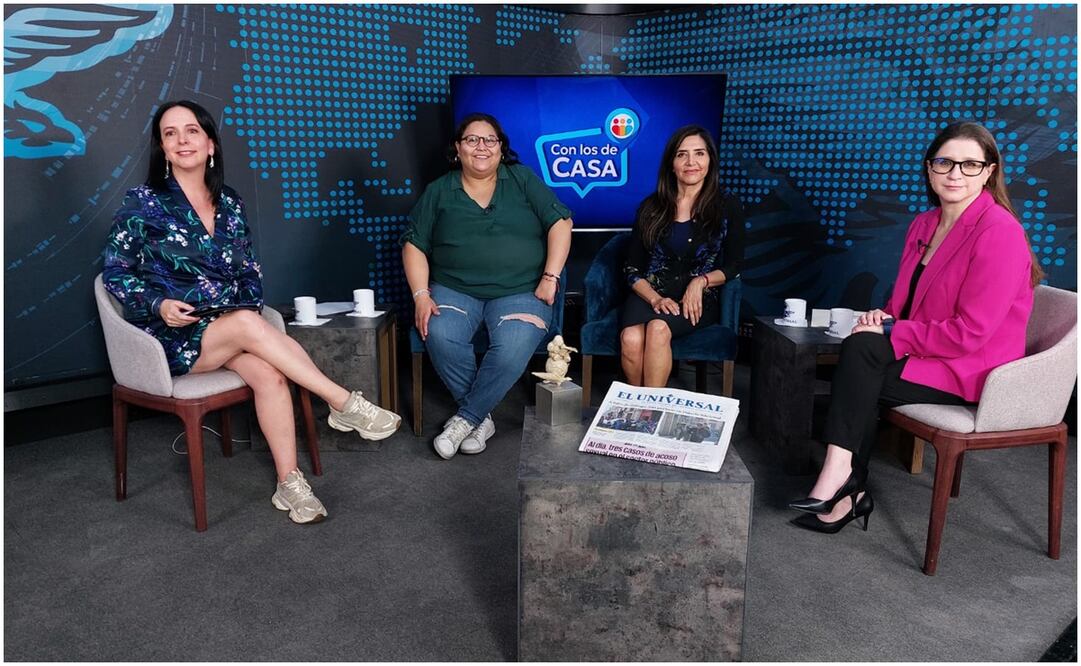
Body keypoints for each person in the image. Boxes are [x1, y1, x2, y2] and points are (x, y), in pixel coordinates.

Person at [103, 100, 401, 524]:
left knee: (269, 373)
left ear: (210, 144)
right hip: (169, 339)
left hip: (228, 330)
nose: (182, 140)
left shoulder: (230, 202)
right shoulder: (144, 203)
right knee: (247, 323)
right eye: (170, 133)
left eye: (191, 131)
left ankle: (289, 484)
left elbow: (249, 273)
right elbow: (115, 273)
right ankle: (340, 400)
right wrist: (159, 304)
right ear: (162, 148)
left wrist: (244, 312)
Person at [788, 121, 1042, 534]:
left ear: (990, 171)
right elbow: (909, 301)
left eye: (969, 164)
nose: (955, 173)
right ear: (929, 169)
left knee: (860, 364)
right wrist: (883, 317)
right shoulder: (925, 224)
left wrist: (890, 335)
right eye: (945, 162)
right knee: (861, 355)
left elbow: (970, 333)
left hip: (972, 366)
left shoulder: (1000, 232)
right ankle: (846, 486)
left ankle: (842, 481)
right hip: (930, 351)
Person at [402, 112, 573, 459]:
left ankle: (467, 418)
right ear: (458, 148)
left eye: (489, 140)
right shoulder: (439, 190)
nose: (481, 146)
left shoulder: (522, 179)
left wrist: (551, 277)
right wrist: (421, 295)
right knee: (438, 333)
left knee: (512, 348)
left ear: (500, 148)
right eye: (472, 139)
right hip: (454, 289)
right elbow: (414, 243)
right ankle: (481, 418)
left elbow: (561, 222)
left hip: (522, 290)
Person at [620, 125, 745, 387]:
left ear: (710, 160)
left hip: (697, 299)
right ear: (672, 164)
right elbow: (632, 270)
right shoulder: (650, 207)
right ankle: (634, 405)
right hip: (649, 293)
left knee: (657, 329)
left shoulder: (727, 205)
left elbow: (735, 264)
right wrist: (655, 299)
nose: (691, 162)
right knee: (631, 339)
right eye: (682, 155)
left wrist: (700, 282)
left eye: (699, 153)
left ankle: (649, 413)